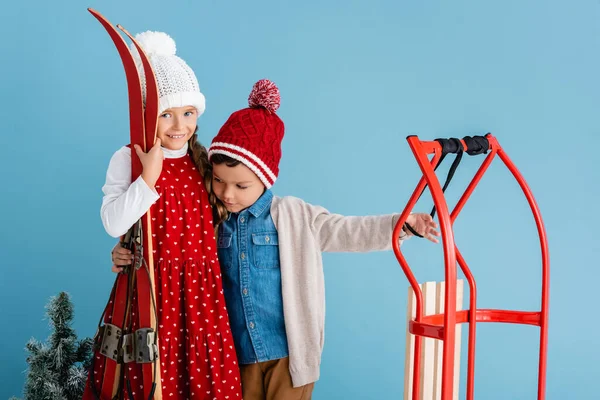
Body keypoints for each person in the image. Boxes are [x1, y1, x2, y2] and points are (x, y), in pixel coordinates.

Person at [113, 79, 439, 400]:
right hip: (234, 357)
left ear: (265, 180)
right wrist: (126, 250)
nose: (228, 193)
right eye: (219, 181)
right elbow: (172, 244)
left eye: (241, 187)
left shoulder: (296, 217)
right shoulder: (212, 219)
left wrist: (403, 225)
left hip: (288, 356)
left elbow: (348, 231)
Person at [99, 31, 242, 399]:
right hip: (151, 294)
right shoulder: (129, 159)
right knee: (152, 381)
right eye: (166, 114)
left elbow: (238, 203)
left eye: (188, 113)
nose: (180, 126)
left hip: (201, 295)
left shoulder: (204, 161)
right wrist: (148, 177)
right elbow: (114, 222)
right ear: (147, 112)